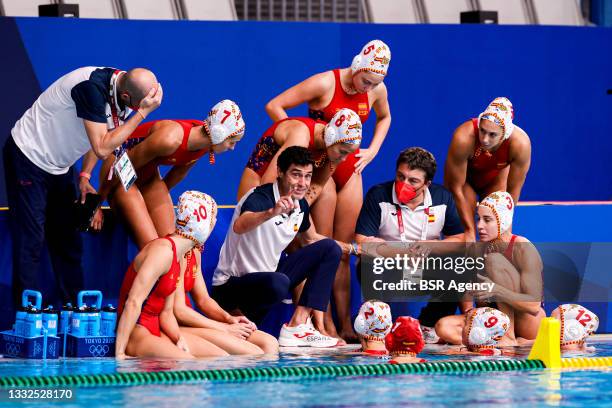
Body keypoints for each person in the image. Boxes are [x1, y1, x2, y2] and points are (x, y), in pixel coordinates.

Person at [265, 40, 392, 341]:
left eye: (374, 83)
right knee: (321, 248)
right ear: (357, 66)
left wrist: (373, 150)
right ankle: (321, 325)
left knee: (344, 252)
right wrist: (300, 143)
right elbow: (275, 105)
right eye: (366, 80)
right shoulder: (325, 83)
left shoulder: (376, 90)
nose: (367, 88)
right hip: (321, 171)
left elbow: (385, 116)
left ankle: (345, 324)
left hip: (349, 170)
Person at [4, 66, 162, 307]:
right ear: (129, 98)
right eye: (139, 104)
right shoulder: (91, 88)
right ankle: (25, 315)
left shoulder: (121, 88)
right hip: (28, 157)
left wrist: (85, 176)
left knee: (69, 241)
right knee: (31, 240)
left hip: (59, 166)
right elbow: (101, 146)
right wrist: (141, 114)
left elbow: (101, 135)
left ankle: (74, 311)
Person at [212, 146, 359, 347]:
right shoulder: (260, 197)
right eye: (296, 175)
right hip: (233, 286)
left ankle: (297, 324)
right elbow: (239, 226)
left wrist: (355, 250)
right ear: (280, 172)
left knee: (329, 248)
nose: (302, 183)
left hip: (269, 281)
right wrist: (271, 212)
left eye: (307, 176)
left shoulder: (301, 206)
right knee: (279, 282)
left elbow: (312, 239)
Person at [88, 100, 245, 248]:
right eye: (232, 142)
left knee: (171, 247)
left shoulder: (204, 145)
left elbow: (170, 181)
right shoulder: (170, 139)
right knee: (152, 249)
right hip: (118, 169)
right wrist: (96, 204)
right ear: (218, 134)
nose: (232, 148)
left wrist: (153, 205)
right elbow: (121, 167)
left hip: (147, 175)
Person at [355, 147, 466, 343]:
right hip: (390, 267)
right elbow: (362, 243)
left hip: (423, 269)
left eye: (413, 180)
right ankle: (377, 327)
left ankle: (429, 325)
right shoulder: (378, 195)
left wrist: (431, 246)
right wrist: (404, 251)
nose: (403, 184)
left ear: (427, 184)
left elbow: (458, 240)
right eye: (400, 176)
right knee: (366, 262)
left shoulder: (442, 198)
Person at [116, 191, 228, 359]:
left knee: (221, 358)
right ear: (203, 224)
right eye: (213, 220)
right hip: (136, 332)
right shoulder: (163, 252)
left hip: (156, 330)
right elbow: (133, 302)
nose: (214, 225)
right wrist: (120, 354)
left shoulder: (180, 255)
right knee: (189, 365)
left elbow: (167, 313)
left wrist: (178, 338)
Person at [435, 191, 545, 346]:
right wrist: (469, 315)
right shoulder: (476, 250)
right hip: (491, 321)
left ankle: (509, 337)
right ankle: (515, 343)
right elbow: (467, 291)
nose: (480, 226)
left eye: (487, 220)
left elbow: (533, 306)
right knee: (444, 327)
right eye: (478, 219)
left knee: (494, 260)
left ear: (503, 221)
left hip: (526, 320)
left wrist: (496, 290)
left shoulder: (522, 248)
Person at [444, 97, 531, 241]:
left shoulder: (520, 144)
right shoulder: (464, 137)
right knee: (464, 236)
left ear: (505, 133)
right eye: (482, 131)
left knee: (497, 234)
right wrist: (469, 230)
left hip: (495, 180)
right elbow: (454, 187)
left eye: (492, 135)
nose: (484, 139)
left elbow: (512, 194)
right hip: (466, 181)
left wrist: (504, 227)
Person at [237, 108, 362, 202]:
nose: (344, 158)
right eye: (343, 152)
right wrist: (280, 214)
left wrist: (299, 212)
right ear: (330, 137)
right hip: (259, 181)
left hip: (286, 185)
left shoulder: (334, 148)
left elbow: (317, 184)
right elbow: (268, 182)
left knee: (324, 199)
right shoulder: (300, 137)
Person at [174, 246, 279, 354]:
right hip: (173, 324)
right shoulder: (171, 252)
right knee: (252, 353)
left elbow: (203, 300)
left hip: (188, 322)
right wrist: (224, 328)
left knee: (270, 342)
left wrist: (229, 318)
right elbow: (179, 311)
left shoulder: (194, 252)